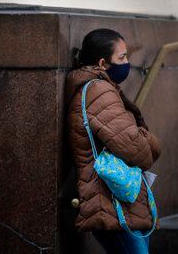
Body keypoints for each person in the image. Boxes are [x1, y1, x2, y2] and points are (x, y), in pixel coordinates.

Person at [65, 28, 162, 253]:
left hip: (112, 197)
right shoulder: (99, 91)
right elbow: (137, 149)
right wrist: (151, 141)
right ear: (102, 63)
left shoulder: (98, 88)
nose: (127, 62)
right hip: (109, 199)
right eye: (122, 57)